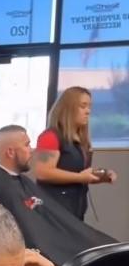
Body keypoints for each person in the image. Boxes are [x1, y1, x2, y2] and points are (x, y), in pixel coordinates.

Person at [0, 125, 116, 266]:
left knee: (108, 249)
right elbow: (33, 238)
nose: (32, 150)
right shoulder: (1, 190)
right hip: (48, 258)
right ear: (10, 152)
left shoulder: (22, 183)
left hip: (61, 246)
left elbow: (56, 223)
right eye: (27, 145)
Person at [34, 87, 116, 220]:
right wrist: (80, 178)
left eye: (89, 106)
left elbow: (77, 173)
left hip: (76, 210)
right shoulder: (50, 137)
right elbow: (42, 172)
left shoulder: (81, 140)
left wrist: (100, 175)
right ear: (68, 108)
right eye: (83, 106)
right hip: (54, 212)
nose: (88, 111)